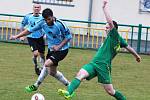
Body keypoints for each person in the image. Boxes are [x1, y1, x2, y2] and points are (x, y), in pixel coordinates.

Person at [58, 0, 141, 100]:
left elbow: (110, 22)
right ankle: (69, 93)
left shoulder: (114, 35)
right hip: (94, 64)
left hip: (103, 66)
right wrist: (136, 56)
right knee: (80, 74)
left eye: (107, 27)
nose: (105, 29)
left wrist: (104, 8)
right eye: (105, 27)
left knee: (110, 91)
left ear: (113, 29)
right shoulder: (118, 39)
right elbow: (129, 47)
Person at [10, 8, 72, 92]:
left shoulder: (60, 24)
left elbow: (69, 37)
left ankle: (36, 85)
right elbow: (29, 30)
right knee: (52, 72)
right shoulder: (42, 23)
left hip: (62, 50)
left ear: (52, 16)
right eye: (46, 20)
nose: (47, 22)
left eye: (49, 19)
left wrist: (59, 46)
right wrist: (16, 36)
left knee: (46, 64)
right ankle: (70, 85)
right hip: (51, 50)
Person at [20, 3, 45, 75]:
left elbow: (46, 26)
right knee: (36, 53)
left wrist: (46, 34)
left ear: (40, 9)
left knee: (42, 55)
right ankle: (36, 65)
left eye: (38, 7)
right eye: (35, 7)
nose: (36, 8)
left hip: (40, 37)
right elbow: (22, 25)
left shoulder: (43, 17)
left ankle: (42, 67)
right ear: (33, 8)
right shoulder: (28, 16)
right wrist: (22, 35)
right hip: (31, 37)